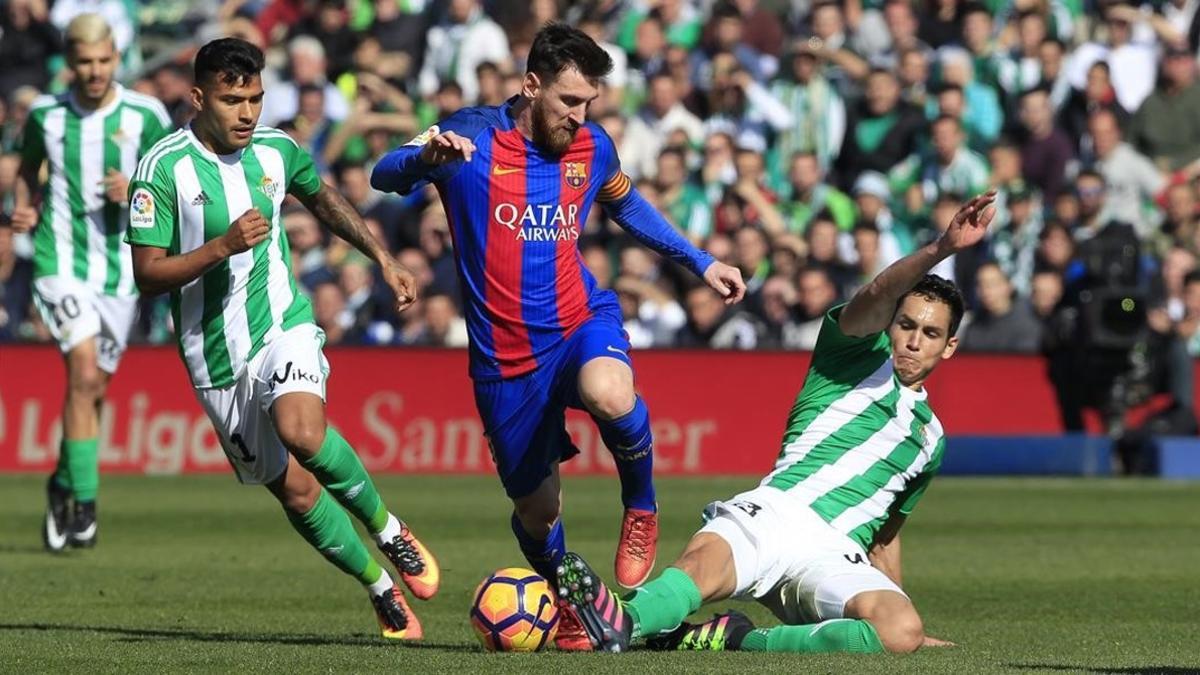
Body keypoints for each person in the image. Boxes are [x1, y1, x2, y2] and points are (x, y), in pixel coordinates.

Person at [369, 22, 745, 649]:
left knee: (611, 393)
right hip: (505, 360)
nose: (580, 116)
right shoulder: (469, 135)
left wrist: (700, 261)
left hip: (577, 320)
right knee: (538, 513)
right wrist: (422, 159)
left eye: (590, 103)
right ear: (532, 84)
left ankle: (642, 508)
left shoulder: (591, 148)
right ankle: (574, 602)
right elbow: (385, 173)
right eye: (570, 101)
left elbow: (626, 206)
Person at [558, 192, 1000, 654]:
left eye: (929, 334)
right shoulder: (850, 356)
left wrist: (898, 608)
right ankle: (616, 621)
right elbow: (877, 293)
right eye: (906, 325)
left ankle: (737, 639)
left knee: (899, 632)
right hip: (775, 513)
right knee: (698, 572)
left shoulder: (931, 440)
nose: (912, 341)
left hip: (834, 556)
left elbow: (886, 537)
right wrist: (941, 249)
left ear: (949, 346)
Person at [123, 37, 437, 641]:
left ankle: (391, 530)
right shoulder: (162, 168)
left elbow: (324, 201)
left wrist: (383, 257)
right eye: (231, 99)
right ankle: (378, 586)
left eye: (255, 99)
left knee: (303, 431)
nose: (246, 113)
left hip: (281, 323)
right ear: (197, 97)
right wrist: (222, 247)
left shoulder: (277, 150)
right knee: (294, 492)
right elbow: (147, 274)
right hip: (214, 355)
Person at [11, 14, 171, 552]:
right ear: (69, 63)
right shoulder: (47, 115)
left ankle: (62, 482)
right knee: (82, 370)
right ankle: (85, 503)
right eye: (84, 62)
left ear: (116, 59)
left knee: (94, 388)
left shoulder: (145, 114)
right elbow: (26, 166)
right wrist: (23, 211)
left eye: (103, 61)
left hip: (121, 273)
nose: (95, 71)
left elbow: (169, 179)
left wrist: (137, 187)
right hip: (60, 264)